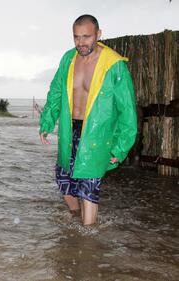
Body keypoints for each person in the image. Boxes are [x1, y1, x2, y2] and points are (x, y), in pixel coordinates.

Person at [39, 15, 137, 225]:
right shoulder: (69, 59)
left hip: (97, 135)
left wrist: (120, 148)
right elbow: (56, 92)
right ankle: (75, 226)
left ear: (98, 35)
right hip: (69, 130)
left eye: (86, 37)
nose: (80, 43)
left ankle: (89, 238)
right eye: (76, 37)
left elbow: (127, 110)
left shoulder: (114, 65)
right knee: (64, 181)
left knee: (88, 187)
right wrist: (47, 122)